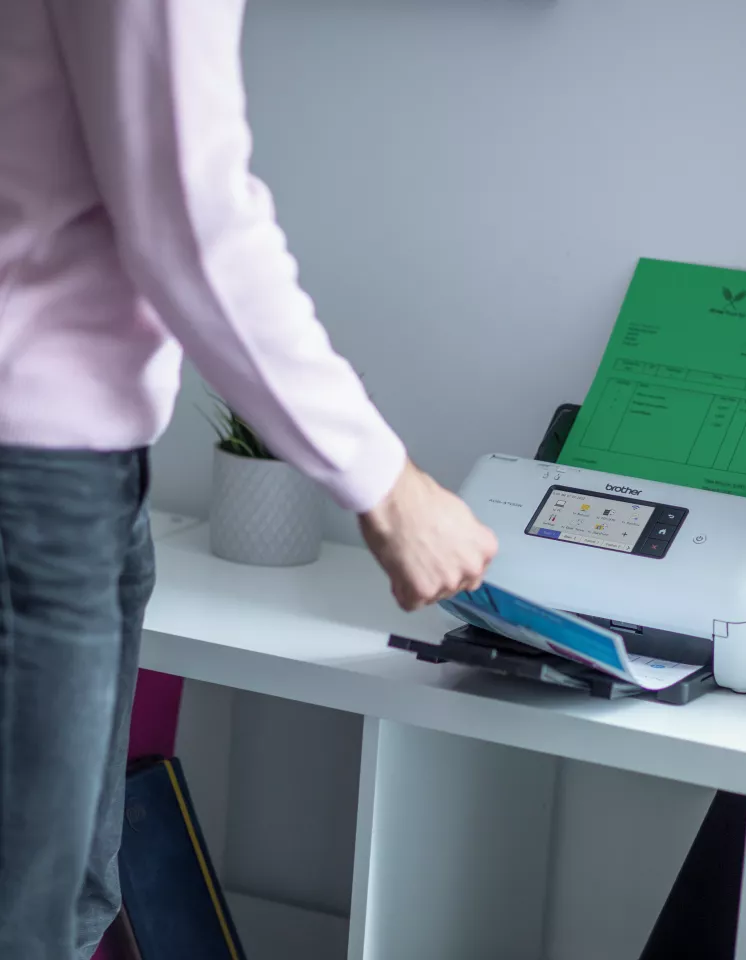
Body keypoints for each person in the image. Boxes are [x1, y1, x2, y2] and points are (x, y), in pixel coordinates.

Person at [0, 2, 498, 957]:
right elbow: (188, 215)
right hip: (34, 476)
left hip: (65, 468)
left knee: (68, 909)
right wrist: (387, 484)